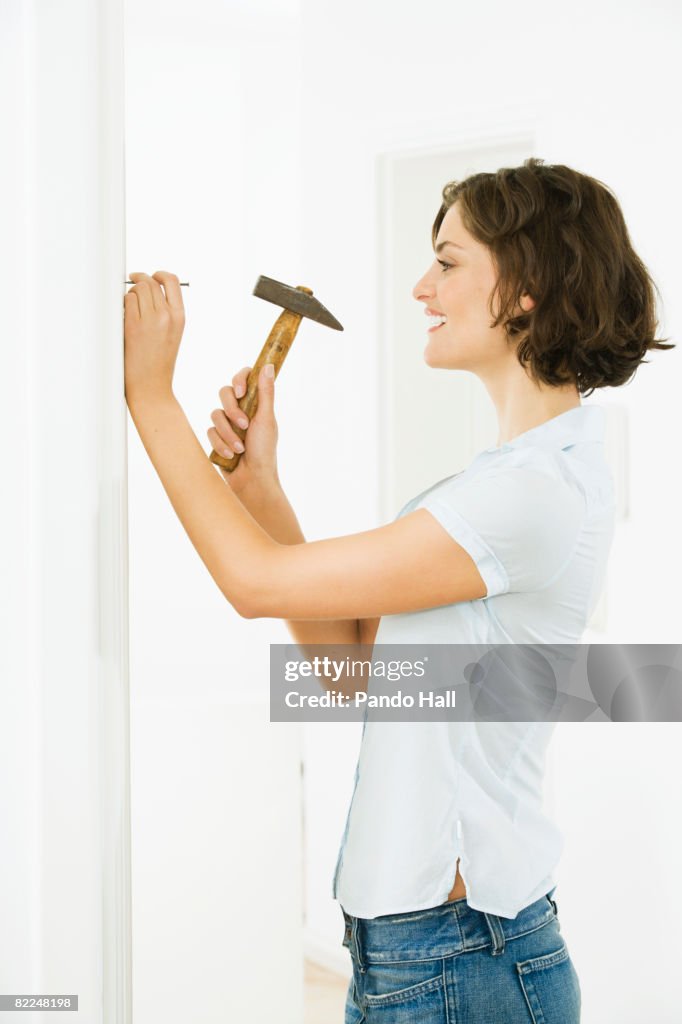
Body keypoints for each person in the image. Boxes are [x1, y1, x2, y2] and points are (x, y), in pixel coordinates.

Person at [123, 157, 673, 1023]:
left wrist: (148, 393)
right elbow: (354, 673)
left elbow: (253, 582)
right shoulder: (509, 482)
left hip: (465, 957)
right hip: (419, 954)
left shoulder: (529, 494)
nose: (423, 286)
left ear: (526, 289)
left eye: (449, 262)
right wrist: (260, 484)